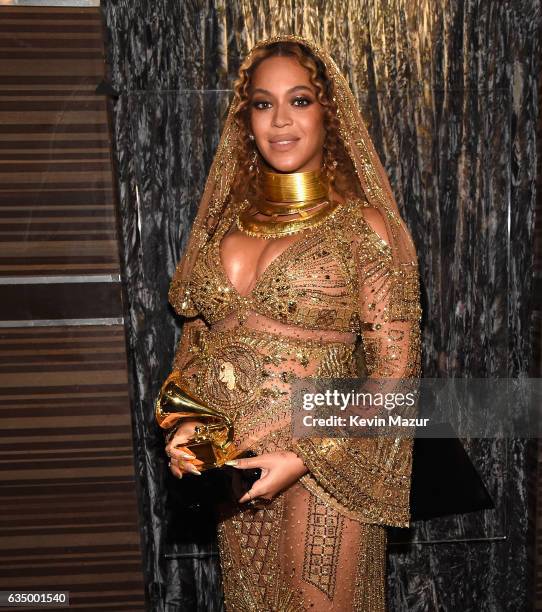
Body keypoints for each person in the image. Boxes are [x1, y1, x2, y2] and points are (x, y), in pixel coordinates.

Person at [159, 34, 422, 611]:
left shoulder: (366, 230)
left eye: (299, 100)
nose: (280, 120)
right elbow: (195, 355)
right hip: (237, 474)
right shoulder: (220, 231)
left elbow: (398, 383)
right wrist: (185, 427)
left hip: (330, 469)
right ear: (245, 119)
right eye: (262, 102)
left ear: (329, 112)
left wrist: (304, 457)